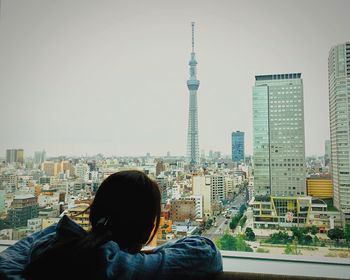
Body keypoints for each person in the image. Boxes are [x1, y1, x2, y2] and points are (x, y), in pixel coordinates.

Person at [0, 170, 222, 279]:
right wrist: (147, 254)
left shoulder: (52, 238)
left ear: (95, 211)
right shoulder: (116, 266)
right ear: (145, 226)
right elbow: (206, 252)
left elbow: (7, 261)